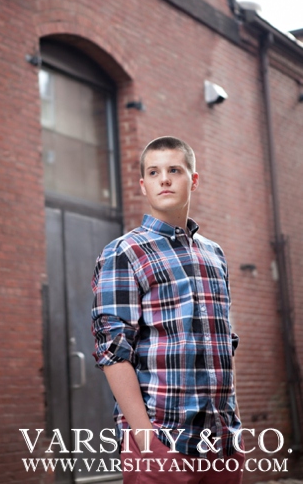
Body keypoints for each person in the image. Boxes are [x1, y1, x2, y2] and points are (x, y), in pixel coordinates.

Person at [91, 136, 242, 483]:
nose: (165, 179)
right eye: (154, 172)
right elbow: (113, 352)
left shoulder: (214, 255)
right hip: (162, 441)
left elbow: (224, 345)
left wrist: (236, 429)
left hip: (223, 445)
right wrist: (147, 441)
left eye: (175, 169)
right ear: (143, 185)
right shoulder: (124, 251)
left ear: (194, 179)